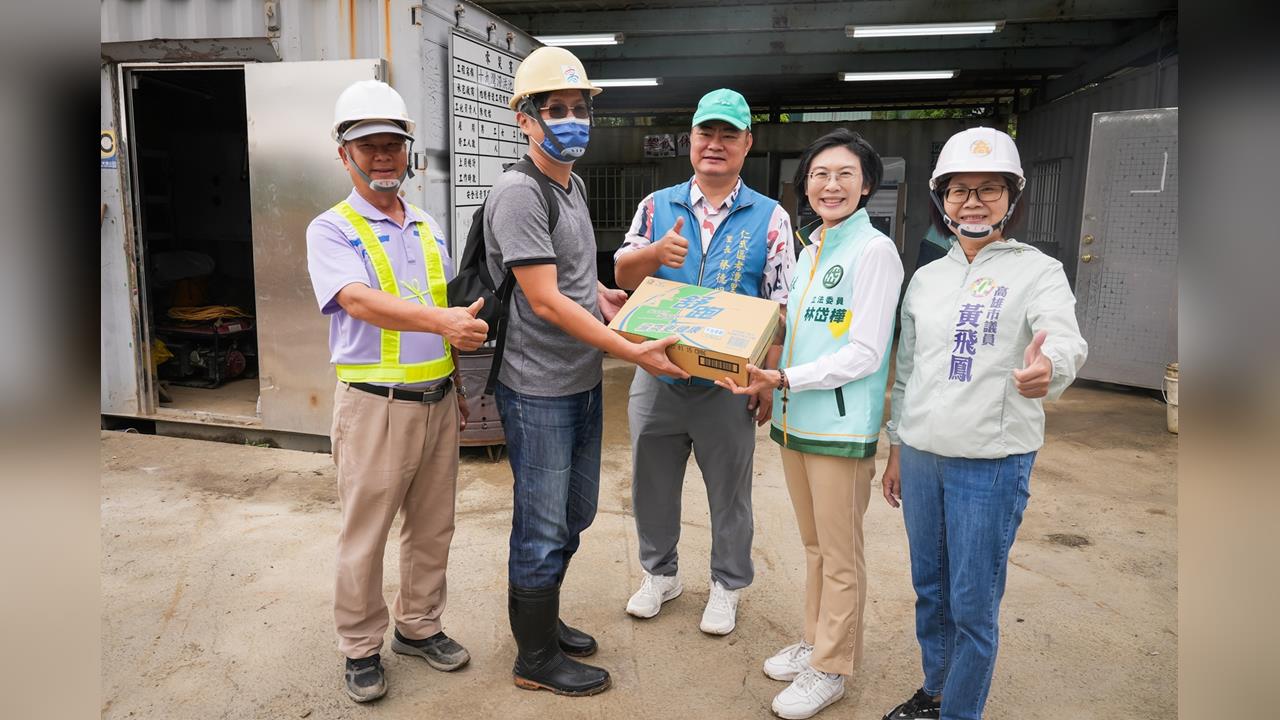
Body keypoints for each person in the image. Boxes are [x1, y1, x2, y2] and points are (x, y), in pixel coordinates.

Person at [485, 46, 688, 697]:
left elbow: (567, 278)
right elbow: (543, 300)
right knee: (542, 524)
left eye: (580, 108)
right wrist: (630, 350)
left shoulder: (568, 185)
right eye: (556, 109)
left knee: (575, 514)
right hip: (538, 389)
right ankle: (534, 658)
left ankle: (543, 623)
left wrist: (603, 296)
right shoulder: (520, 192)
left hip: (580, 381)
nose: (572, 119)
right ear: (525, 118)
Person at [878, 127, 1088, 720]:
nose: (973, 202)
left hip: (990, 463)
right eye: (959, 190)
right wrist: (897, 447)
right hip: (923, 457)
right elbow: (908, 369)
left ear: (1011, 197)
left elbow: (1063, 337)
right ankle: (935, 690)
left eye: (989, 189)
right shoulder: (927, 278)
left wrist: (1050, 367)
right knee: (930, 588)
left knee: (972, 601)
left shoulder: (1038, 271)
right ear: (941, 199)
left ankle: (960, 711)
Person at [305, 79, 490, 703]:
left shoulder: (428, 226)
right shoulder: (332, 229)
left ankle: (419, 626)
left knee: (433, 528)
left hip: (436, 400)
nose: (383, 156)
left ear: (409, 151)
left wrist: (456, 383)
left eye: (393, 145)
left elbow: (445, 307)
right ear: (345, 154)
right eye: (369, 146)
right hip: (373, 406)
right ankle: (360, 646)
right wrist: (444, 323)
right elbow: (356, 300)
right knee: (367, 534)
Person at [719, 129, 902, 719]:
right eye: (820, 174)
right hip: (797, 422)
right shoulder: (811, 248)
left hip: (840, 429)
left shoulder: (873, 251)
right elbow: (791, 327)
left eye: (845, 174)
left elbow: (866, 353)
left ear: (866, 186)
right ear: (806, 185)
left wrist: (785, 379)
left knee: (841, 555)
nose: (831, 185)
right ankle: (816, 640)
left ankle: (832, 666)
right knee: (816, 547)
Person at [613, 88, 794, 636]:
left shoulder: (770, 217)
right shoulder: (657, 206)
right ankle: (660, 574)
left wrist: (768, 378)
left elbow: (779, 304)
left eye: (727, 135)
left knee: (729, 491)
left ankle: (727, 584)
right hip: (658, 370)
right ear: (690, 140)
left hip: (728, 383)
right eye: (705, 133)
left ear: (746, 144)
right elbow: (623, 276)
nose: (715, 144)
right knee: (651, 482)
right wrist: (652, 254)